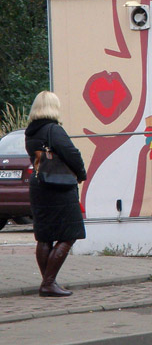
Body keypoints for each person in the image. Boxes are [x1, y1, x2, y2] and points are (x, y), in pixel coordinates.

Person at [25, 91, 87, 297]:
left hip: (38, 185)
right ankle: (48, 283)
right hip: (59, 188)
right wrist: (81, 174)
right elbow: (72, 154)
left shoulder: (30, 132)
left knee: (45, 236)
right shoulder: (54, 129)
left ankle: (48, 282)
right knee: (69, 234)